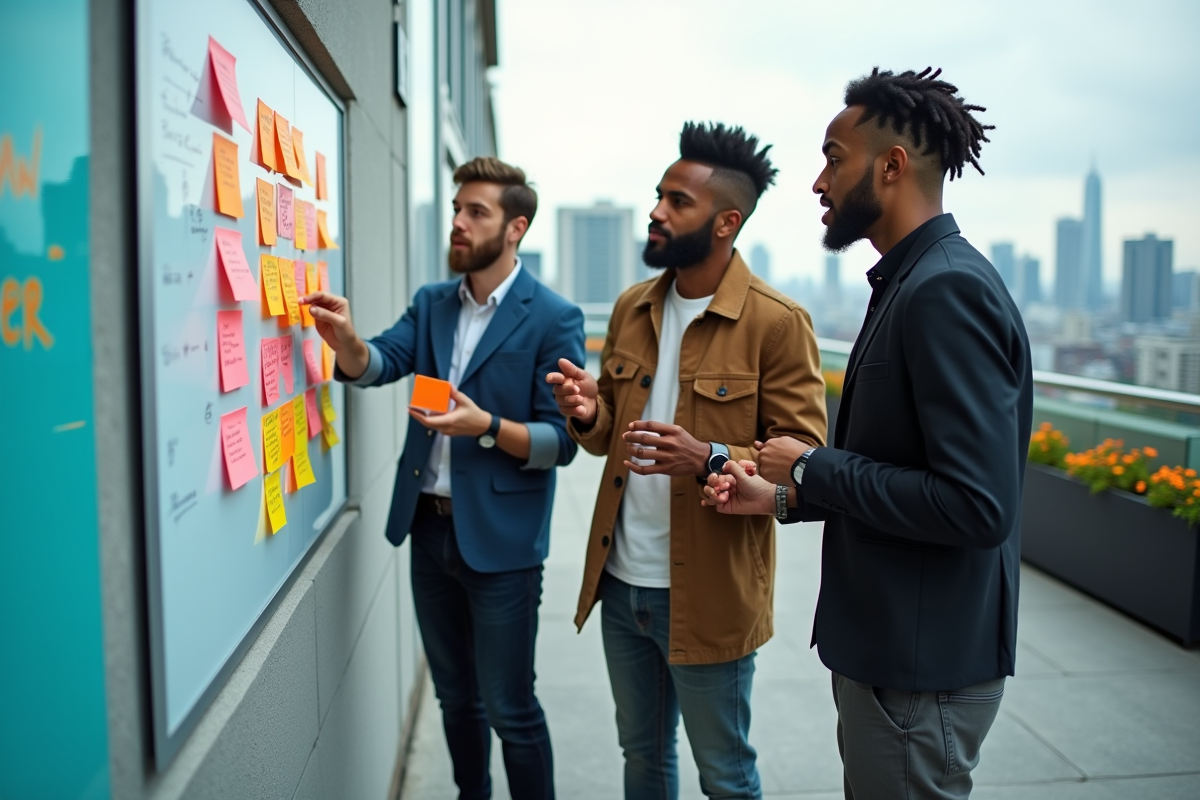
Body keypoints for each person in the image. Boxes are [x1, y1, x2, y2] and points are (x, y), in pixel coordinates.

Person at [705, 68, 1033, 800]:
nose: (818, 182)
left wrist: (816, 468)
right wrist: (782, 496)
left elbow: (977, 506)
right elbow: (899, 466)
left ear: (892, 166)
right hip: (897, 662)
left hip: (917, 674)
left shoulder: (945, 290)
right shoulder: (912, 283)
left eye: (832, 157)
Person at [546, 122, 826, 799]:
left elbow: (805, 462)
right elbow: (612, 428)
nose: (657, 212)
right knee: (642, 759)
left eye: (678, 201)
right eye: (658, 196)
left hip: (710, 594)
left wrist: (707, 457)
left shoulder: (777, 322)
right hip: (622, 582)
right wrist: (589, 413)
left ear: (726, 221)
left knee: (725, 776)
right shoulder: (631, 307)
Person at [303, 156, 584, 800]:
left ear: (515, 228)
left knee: (511, 708)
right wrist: (344, 338)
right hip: (429, 535)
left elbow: (560, 442)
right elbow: (377, 362)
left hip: (505, 547)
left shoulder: (552, 316)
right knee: (456, 701)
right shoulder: (433, 304)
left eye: (475, 212)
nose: (457, 222)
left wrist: (485, 425)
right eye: (457, 208)